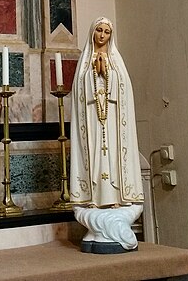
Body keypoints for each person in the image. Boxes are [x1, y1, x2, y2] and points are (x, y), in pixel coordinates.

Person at [70, 17, 144, 252]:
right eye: (99, 31)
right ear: (93, 33)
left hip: (112, 124)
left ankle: (116, 197)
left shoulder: (116, 62)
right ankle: (94, 197)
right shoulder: (84, 64)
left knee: (112, 157)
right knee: (94, 158)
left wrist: (107, 74)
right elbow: (79, 94)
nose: (102, 35)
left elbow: (124, 91)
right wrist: (93, 74)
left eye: (107, 32)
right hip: (92, 123)